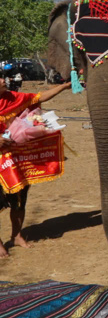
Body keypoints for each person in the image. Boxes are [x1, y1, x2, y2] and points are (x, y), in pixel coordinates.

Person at [0, 77, 71, 257]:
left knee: (19, 198)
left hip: (16, 160)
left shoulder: (12, 97)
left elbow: (39, 97)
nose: (3, 80)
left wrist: (64, 86)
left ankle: (17, 235)